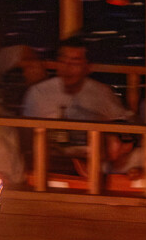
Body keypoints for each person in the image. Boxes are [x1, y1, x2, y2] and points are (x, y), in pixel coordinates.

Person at [22, 36, 137, 173]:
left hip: (91, 163)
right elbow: (26, 136)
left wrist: (114, 142)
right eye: (63, 61)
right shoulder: (39, 93)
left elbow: (127, 125)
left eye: (75, 63)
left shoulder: (101, 93)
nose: (67, 68)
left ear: (88, 67)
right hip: (51, 162)